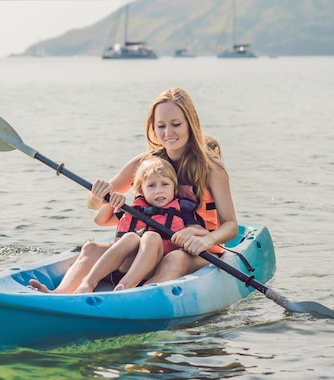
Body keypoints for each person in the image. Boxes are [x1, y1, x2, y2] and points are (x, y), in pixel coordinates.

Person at [29, 87, 237, 293]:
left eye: (176, 124)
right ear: (152, 127)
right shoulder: (145, 164)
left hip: (195, 249)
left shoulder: (211, 169)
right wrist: (96, 195)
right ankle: (58, 295)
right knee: (91, 249)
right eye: (161, 126)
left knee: (174, 258)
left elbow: (230, 226)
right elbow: (93, 206)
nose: (168, 133)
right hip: (150, 248)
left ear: (191, 124)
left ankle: (133, 297)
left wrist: (207, 239)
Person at [64, 157, 199, 293]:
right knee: (95, 246)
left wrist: (189, 233)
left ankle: (124, 287)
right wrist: (112, 202)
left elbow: (198, 230)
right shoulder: (134, 209)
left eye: (165, 184)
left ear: (175, 188)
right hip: (122, 266)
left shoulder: (182, 210)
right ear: (141, 190)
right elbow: (100, 220)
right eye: (151, 186)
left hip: (152, 270)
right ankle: (77, 287)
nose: (159, 190)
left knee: (150, 237)